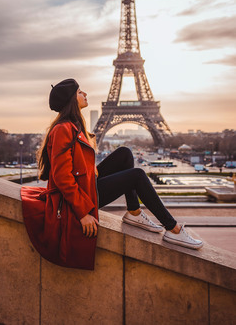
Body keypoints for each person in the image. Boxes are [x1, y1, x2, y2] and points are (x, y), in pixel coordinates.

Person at [21, 79, 203, 271]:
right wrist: (83, 213)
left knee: (124, 153)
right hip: (76, 201)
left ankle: (134, 212)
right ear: (71, 100)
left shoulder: (73, 126)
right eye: (80, 92)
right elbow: (62, 177)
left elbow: (77, 167)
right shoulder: (63, 129)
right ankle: (172, 229)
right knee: (137, 175)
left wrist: (96, 171)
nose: (85, 94)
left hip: (85, 187)